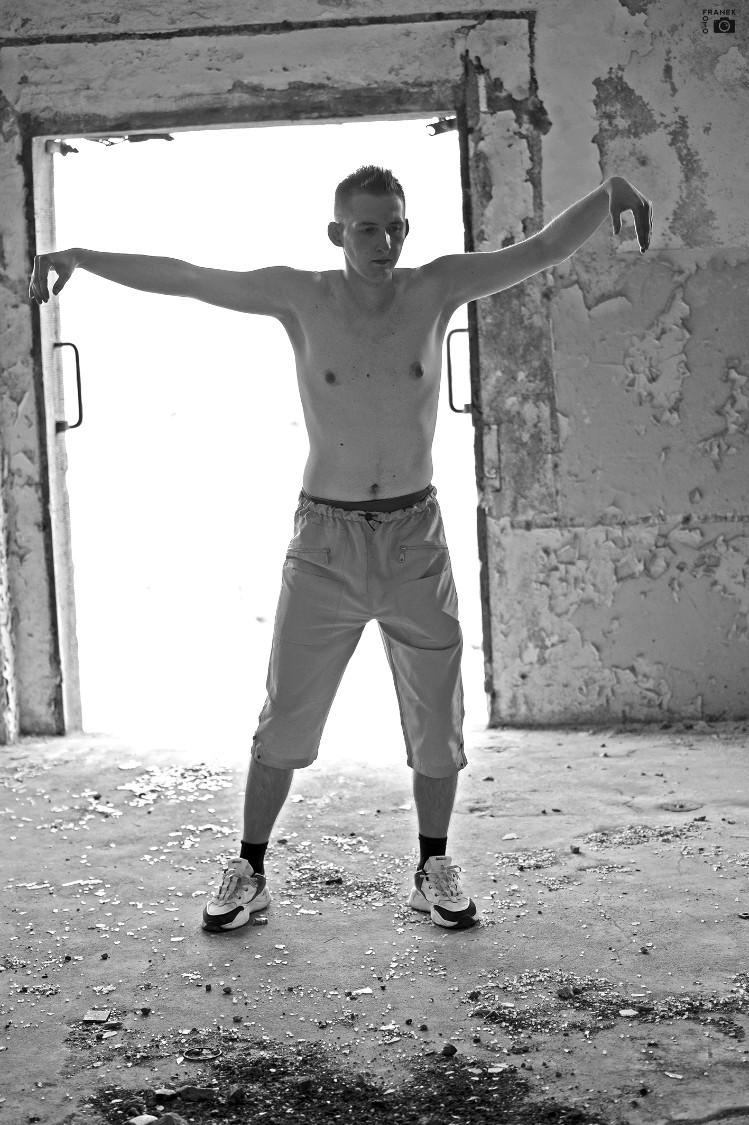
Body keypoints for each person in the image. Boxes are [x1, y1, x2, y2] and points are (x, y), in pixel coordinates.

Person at [29, 164, 652, 933]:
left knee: (436, 722)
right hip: (325, 540)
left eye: (395, 226)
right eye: (366, 228)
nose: (384, 241)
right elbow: (189, 277)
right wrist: (82, 257)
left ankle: (432, 866)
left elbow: (541, 249)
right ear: (337, 232)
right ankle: (249, 870)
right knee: (286, 716)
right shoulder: (301, 296)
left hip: (413, 537)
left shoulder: (436, 287)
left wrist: (608, 192)